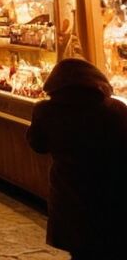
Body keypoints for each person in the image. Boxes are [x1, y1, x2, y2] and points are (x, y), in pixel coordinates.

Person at [27, 57, 127, 260]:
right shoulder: (115, 109)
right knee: (112, 246)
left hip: (69, 191)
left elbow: (37, 145)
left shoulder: (45, 111)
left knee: (79, 247)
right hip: (111, 190)